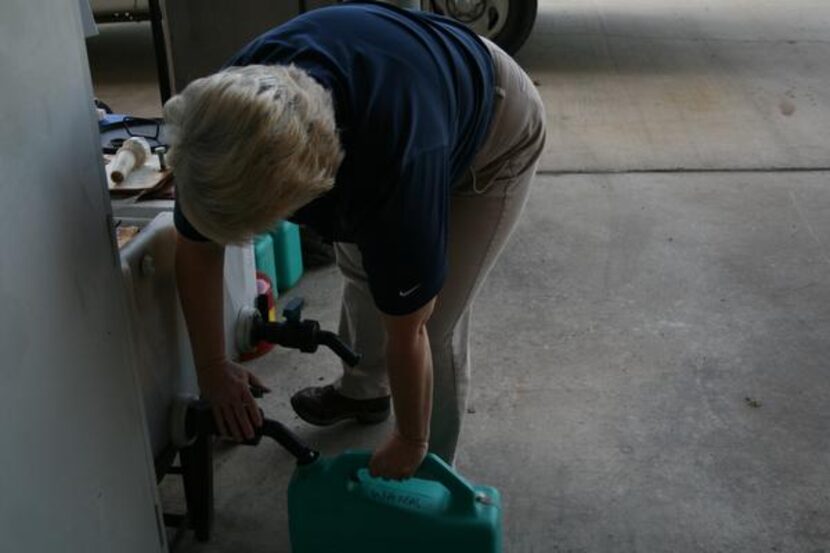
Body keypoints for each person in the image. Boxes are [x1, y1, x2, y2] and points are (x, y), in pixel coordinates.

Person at [167, 1, 545, 480]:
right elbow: (196, 248)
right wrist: (212, 368)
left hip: (496, 126)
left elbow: (411, 330)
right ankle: (366, 391)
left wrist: (412, 439)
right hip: (408, 78)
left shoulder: (393, 166)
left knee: (436, 323)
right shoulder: (224, 123)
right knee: (365, 272)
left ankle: (431, 474)